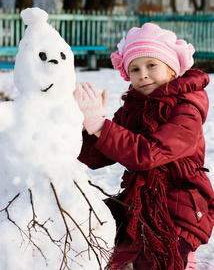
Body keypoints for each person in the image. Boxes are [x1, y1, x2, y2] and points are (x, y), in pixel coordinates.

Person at [74, 23, 214, 270]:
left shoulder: (187, 109)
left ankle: (182, 258)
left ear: (172, 70)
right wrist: (81, 126)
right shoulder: (134, 106)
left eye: (152, 65)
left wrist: (100, 127)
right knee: (89, 226)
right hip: (140, 198)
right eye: (135, 69)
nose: (143, 74)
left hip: (181, 206)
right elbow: (97, 158)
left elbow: (148, 153)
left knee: (154, 258)